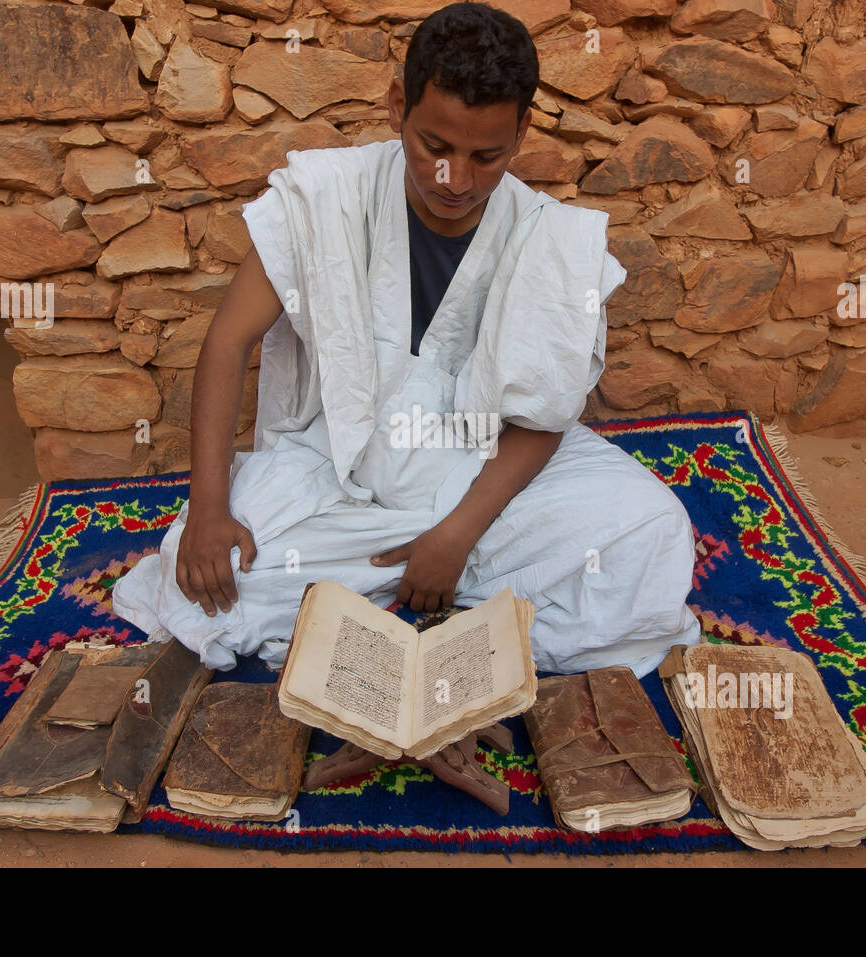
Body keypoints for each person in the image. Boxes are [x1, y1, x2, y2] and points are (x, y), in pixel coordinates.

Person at [112, 2, 700, 677]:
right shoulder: (327, 197)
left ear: (522, 132)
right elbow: (227, 343)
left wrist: (456, 535)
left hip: (481, 477)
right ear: (398, 107)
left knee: (651, 530)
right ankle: (459, 603)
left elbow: (544, 416)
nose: (457, 178)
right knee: (208, 573)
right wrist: (210, 510)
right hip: (338, 471)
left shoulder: (550, 237)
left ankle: (412, 586)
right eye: (435, 147)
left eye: (486, 156)